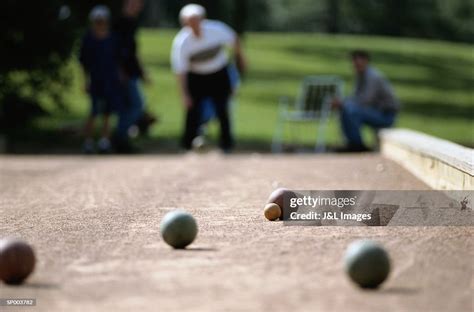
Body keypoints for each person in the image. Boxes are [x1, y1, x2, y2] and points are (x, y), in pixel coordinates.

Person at [171, 4, 247, 152]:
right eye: (189, 21)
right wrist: (184, 94)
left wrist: (240, 57)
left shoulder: (216, 29)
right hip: (196, 77)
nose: (194, 24)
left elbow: (234, 39)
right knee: (193, 111)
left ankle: (226, 145)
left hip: (219, 74)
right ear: (184, 23)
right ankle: (187, 145)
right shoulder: (181, 42)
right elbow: (180, 71)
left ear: (202, 19)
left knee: (222, 109)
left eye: (196, 20)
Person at [332, 50, 400, 152]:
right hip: (374, 112)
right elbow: (355, 97)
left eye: (358, 61)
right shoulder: (361, 75)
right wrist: (343, 103)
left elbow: (366, 100)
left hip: (385, 115)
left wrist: (343, 103)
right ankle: (352, 143)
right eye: (354, 61)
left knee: (351, 110)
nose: (355, 64)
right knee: (347, 109)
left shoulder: (373, 76)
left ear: (366, 61)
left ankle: (357, 145)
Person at [79, 5, 122, 154]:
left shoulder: (113, 38)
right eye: (97, 21)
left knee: (107, 113)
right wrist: (85, 80)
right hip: (95, 79)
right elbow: (83, 63)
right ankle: (88, 142)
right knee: (93, 111)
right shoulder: (88, 39)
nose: (100, 23)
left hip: (110, 80)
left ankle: (104, 141)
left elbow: (117, 60)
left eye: (102, 20)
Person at [114, 0, 157, 138]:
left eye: (138, 3)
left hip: (132, 72)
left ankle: (123, 136)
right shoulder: (120, 23)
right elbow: (116, 51)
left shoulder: (132, 22)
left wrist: (142, 72)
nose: (137, 6)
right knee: (136, 106)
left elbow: (133, 52)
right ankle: (120, 136)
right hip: (125, 73)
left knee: (132, 105)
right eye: (133, 3)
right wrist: (120, 71)